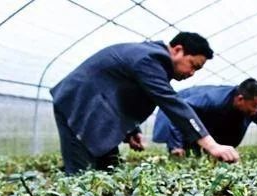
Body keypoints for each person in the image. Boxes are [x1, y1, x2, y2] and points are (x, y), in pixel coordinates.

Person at [50, 32, 239, 174]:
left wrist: (133, 131)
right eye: (193, 65)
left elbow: (121, 93)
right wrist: (212, 145)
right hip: (79, 107)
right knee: (81, 174)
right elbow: (172, 103)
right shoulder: (151, 58)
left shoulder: (149, 59)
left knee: (110, 170)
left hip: (93, 109)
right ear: (177, 50)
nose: (191, 73)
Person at [152, 78, 257, 157]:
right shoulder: (211, 99)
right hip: (179, 119)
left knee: (199, 157)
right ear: (240, 99)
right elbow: (180, 115)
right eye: (254, 106)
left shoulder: (250, 107)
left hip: (204, 127)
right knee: (181, 158)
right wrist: (176, 146)